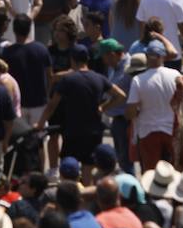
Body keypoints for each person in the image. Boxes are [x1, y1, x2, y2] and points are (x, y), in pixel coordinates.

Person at [35, 45, 124, 176]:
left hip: (72, 131)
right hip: (93, 131)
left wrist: (41, 123)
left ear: (72, 60)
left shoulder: (67, 80)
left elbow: (52, 105)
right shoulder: (99, 78)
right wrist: (103, 107)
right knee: (88, 168)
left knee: (69, 169)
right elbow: (120, 96)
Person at [126, 41, 181, 171]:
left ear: (146, 56)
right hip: (171, 130)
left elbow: (131, 112)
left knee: (151, 175)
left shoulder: (138, 80)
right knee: (171, 173)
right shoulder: (176, 75)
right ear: (163, 56)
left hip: (148, 132)